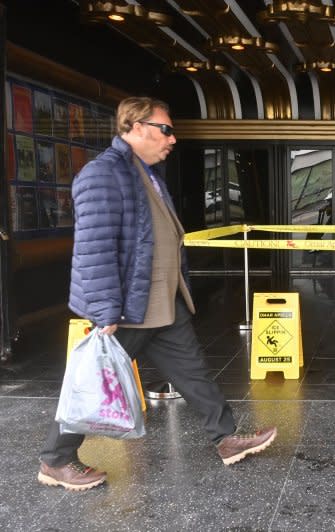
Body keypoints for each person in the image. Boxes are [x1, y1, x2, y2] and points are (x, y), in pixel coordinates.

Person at [38, 97, 277, 491]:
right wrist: (103, 310)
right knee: (96, 382)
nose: (172, 138)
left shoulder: (147, 174)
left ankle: (226, 438)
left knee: (194, 372)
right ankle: (55, 460)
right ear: (134, 127)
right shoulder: (103, 175)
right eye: (165, 129)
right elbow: (94, 248)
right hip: (129, 308)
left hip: (162, 299)